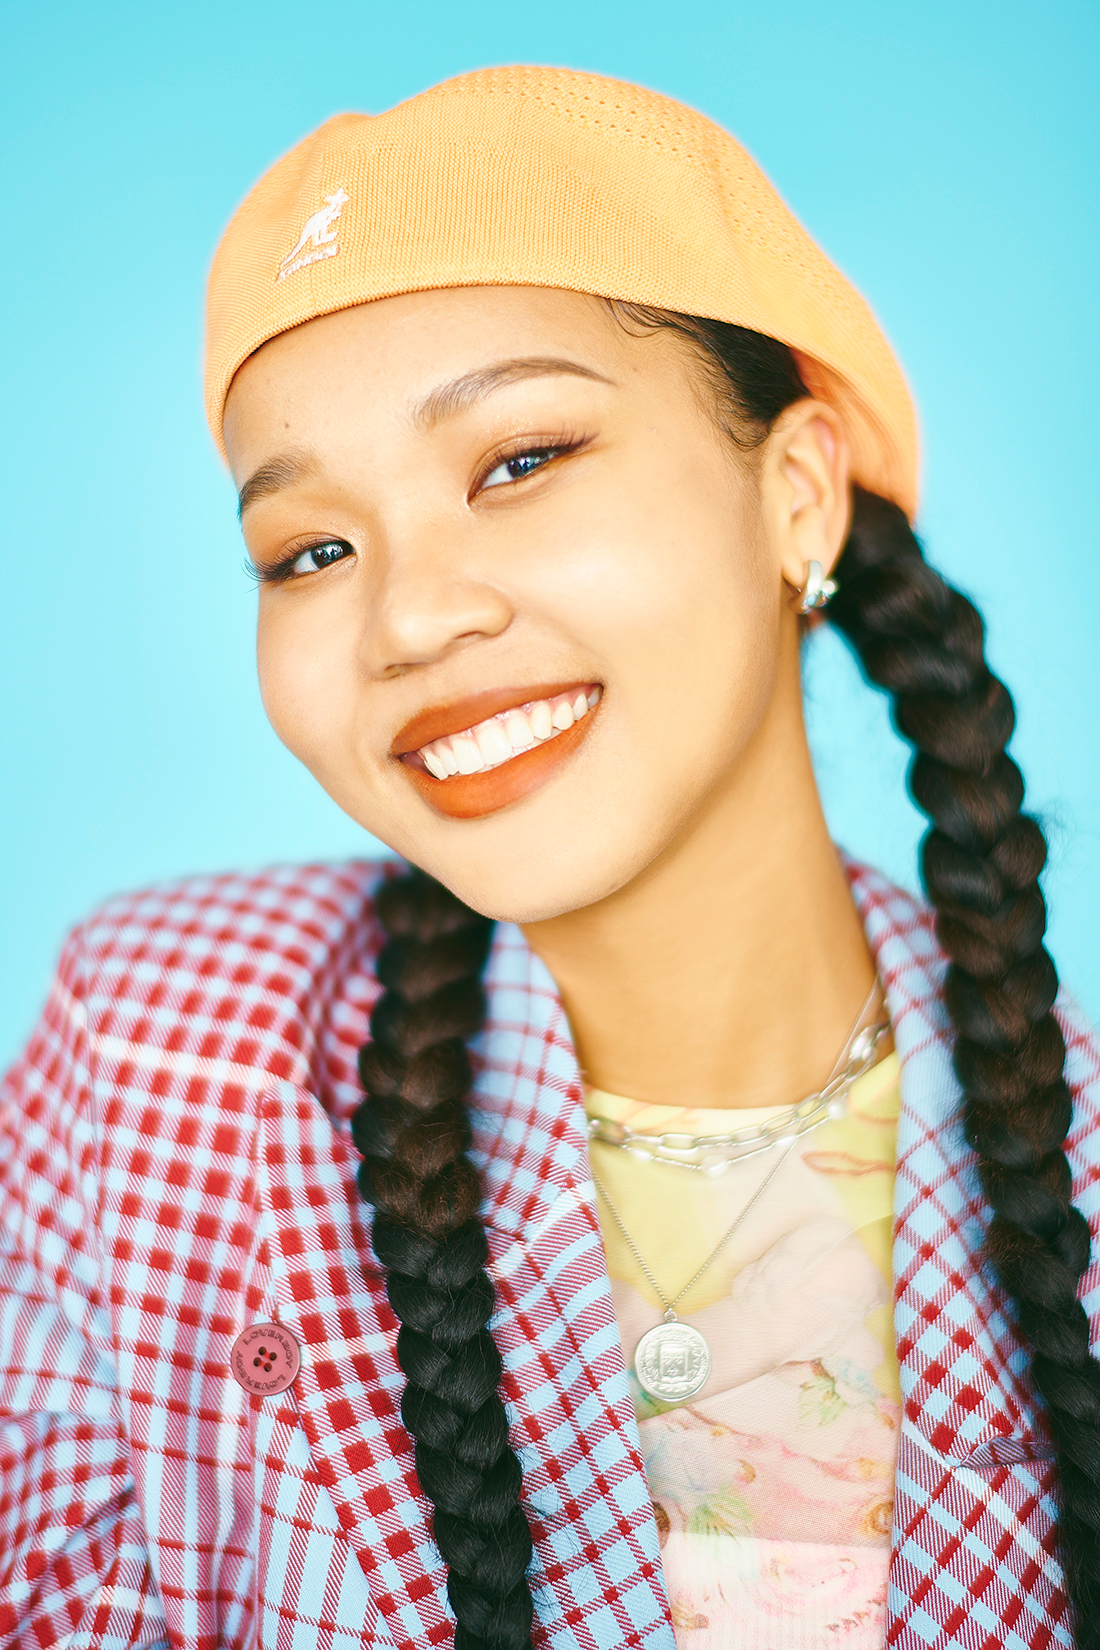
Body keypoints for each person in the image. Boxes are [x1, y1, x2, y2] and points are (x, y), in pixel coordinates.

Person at [1, 64, 1097, 1650]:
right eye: (311, 549)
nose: (409, 614)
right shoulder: (160, 1064)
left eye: (518, 461)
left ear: (797, 497)